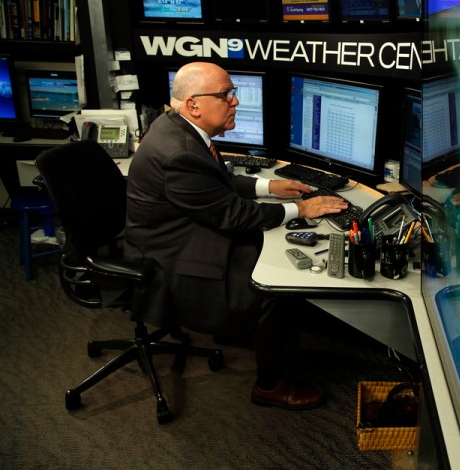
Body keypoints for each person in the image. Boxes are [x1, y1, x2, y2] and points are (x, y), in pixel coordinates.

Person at [124, 62, 349, 410]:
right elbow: (232, 214)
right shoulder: (180, 151)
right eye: (226, 95)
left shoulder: (175, 126)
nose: (235, 102)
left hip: (178, 232)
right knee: (275, 283)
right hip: (172, 259)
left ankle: (263, 340)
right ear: (193, 105)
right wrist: (302, 210)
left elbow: (213, 181)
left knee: (271, 254)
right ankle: (270, 384)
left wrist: (268, 186)